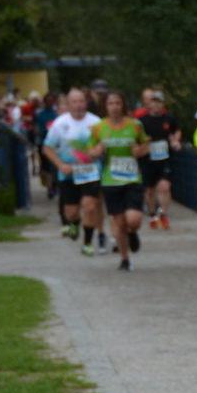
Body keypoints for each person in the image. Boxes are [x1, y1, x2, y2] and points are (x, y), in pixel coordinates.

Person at [91, 89, 149, 271]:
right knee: (119, 222)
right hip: (110, 180)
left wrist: (140, 151)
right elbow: (90, 151)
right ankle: (125, 259)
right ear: (105, 107)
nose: (114, 107)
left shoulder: (135, 125)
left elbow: (146, 144)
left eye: (117, 103)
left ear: (123, 105)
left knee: (134, 219)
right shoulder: (99, 127)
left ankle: (133, 232)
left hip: (132, 178)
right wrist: (96, 152)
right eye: (111, 104)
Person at [43, 87, 104, 257]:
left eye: (81, 101)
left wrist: (97, 151)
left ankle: (87, 244)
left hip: (90, 170)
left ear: (86, 102)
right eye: (74, 102)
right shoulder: (60, 124)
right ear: (68, 104)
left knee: (90, 205)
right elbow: (47, 148)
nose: (78, 105)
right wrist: (60, 165)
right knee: (71, 211)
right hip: (68, 171)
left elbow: (103, 143)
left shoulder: (96, 122)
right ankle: (74, 224)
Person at [136, 88, 181, 230]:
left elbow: (177, 131)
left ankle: (164, 215)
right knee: (149, 190)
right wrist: (143, 145)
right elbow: (136, 138)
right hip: (148, 159)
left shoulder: (169, 119)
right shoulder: (142, 121)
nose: (156, 105)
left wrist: (176, 141)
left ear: (163, 104)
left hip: (165, 159)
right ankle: (152, 214)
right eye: (153, 102)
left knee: (164, 187)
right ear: (149, 104)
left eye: (159, 102)